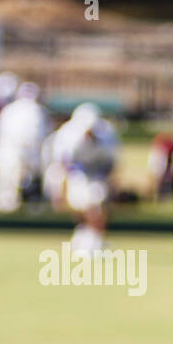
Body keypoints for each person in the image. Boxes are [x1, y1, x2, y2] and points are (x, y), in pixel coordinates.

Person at [48, 103, 119, 252]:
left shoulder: (107, 134)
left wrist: (111, 182)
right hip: (77, 172)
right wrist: (60, 187)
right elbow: (62, 164)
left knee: (95, 206)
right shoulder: (67, 135)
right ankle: (83, 233)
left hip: (98, 172)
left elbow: (112, 162)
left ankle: (95, 240)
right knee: (79, 205)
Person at [0, 81, 49, 212]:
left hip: (30, 150)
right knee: (9, 178)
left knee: (32, 178)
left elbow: (41, 133)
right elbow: (2, 133)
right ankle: (7, 204)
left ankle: (31, 204)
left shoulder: (38, 110)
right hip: (11, 149)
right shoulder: (10, 110)